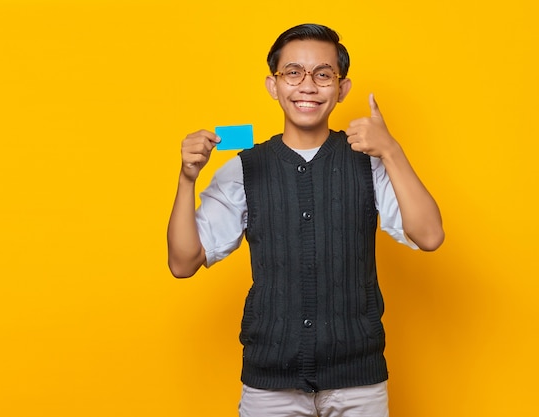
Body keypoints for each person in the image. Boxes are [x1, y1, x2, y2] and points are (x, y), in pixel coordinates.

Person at [167, 23, 444, 417]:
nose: (308, 86)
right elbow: (183, 263)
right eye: (293, 73)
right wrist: (186, 179)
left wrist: (392, 151)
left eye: (323, 74)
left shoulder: (370, 163)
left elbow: (430, 235)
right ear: (273, 85)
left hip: (358, 382)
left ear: (342, 87)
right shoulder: (243, 168)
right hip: (269, 382)